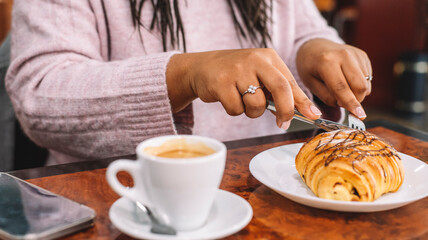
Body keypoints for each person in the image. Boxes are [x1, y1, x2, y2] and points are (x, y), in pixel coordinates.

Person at [6, 0, 372, 165]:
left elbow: (302, 28)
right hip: (117, 198)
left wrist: (316, 48)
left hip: (270, 190)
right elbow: (39, 92)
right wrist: (184, 75)